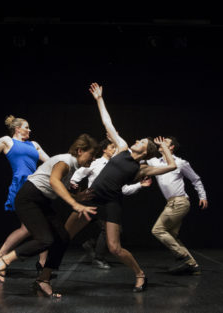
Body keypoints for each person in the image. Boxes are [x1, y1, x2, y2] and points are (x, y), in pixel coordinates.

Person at [31, 82, 178, 295]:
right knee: (63, 237)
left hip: (111, 204)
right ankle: (43, 279)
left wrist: (164, 147)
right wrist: (99, 99)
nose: (137, 140)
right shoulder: (122, 148)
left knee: (114, 248)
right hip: (91, 197)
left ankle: (139, 274)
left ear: (146, 151)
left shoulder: (143, 169)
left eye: (142, 141)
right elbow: (107, 122)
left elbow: (172, 165)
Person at [0, 134, 98, 298]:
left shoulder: (73, 166)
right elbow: (54, 182)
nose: (93, 158)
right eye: (91, 154)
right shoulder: (65, 161)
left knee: (62, 237)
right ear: (80, 151)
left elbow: (58, 186)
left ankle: (44, 279)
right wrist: (75, 204)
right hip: (28, 199)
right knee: (45, 240)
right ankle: (4, 260)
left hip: (42, 201)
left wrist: (79, 197)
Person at [0, 114, 50, 270]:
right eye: (26, 127)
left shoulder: (34, 144)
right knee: (32, 228)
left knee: (38, 227)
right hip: (21, 187)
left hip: (36, 186)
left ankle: (42, 263)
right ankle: (1, 256)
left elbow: (49, 161)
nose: (30, 130)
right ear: (17, 129)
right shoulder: (7, 141)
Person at [70, 139, 152, 269]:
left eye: (115, 147)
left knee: (115, 232)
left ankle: (92, 246)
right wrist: (75, 187)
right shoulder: (95, 162)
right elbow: (78, 174)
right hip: (93, 201)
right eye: (112, 147)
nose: (115, 149)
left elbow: (123, 190)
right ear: (104, 149)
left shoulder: (119, 165)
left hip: (107, 203)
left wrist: (140, 185)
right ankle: (97, 256)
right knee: (70, 230)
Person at [147, 136, 208, 275]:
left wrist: (202, 196)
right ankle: (193, 265)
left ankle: (183, 256)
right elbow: (143, 154)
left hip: (179, 202)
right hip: (171, 203)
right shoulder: (155, 161)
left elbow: (195, 179)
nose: (161, 143)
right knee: (172, 235)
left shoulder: (180, 163)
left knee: (157, 230)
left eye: (165, 142)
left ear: (172, 147)